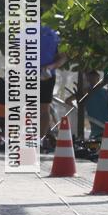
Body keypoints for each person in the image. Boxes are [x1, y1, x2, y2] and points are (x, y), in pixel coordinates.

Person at [40, 23, 67, 152]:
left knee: (41, 109)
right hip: (45, 74)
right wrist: (50, 68)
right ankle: (38, 140)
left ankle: (38, 139)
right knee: (42, 109)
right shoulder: (54, 34)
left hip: (40, 75)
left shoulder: (54, 34)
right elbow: (63, 57)